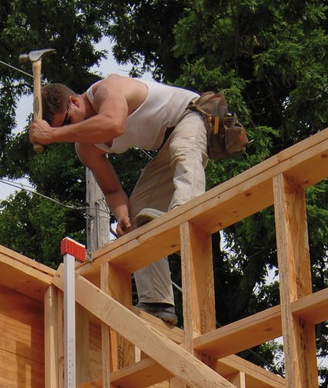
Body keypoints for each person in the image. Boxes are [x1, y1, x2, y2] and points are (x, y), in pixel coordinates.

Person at [29, 74, 209, 326]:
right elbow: (113, 191)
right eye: (61, 130)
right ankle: (158, 301)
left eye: (66, 122)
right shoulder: (86, 147)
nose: (67, 133)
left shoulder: (105, 90)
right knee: (137, 216)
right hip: (166, 143)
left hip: (190, 115)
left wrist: (52, 136)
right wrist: (122, 215)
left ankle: (184, 216)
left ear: (75, 101)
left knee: (183, 152)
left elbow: (114, 125)